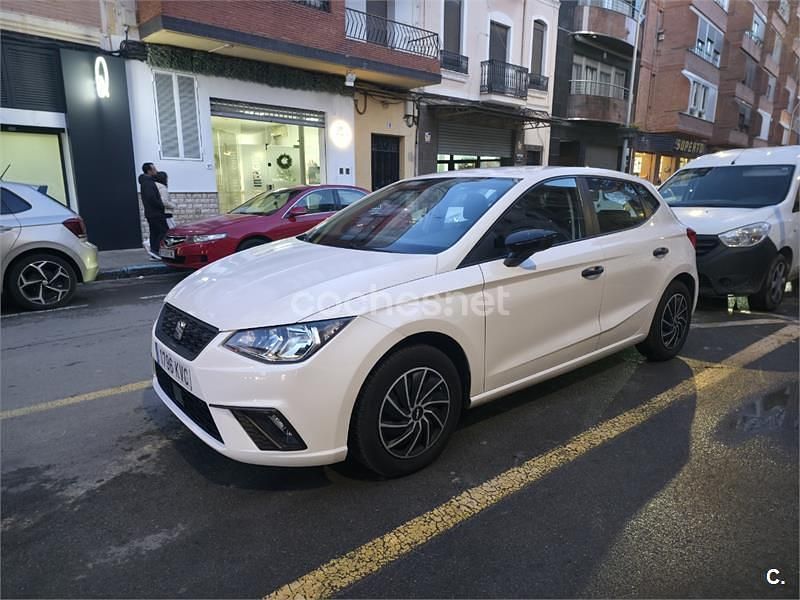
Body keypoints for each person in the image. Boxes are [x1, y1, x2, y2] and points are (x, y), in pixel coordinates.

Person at [139, 162, 167, 260]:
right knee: (164, 231)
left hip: (151, 213)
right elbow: (151, 198)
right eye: (154, 169)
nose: (156, 171)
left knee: (154, 232)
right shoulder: (148, 183)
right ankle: (155, 251)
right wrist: (161, 206)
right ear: (149, 171)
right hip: (155, 212)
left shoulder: (146, 182)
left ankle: (154, 254)